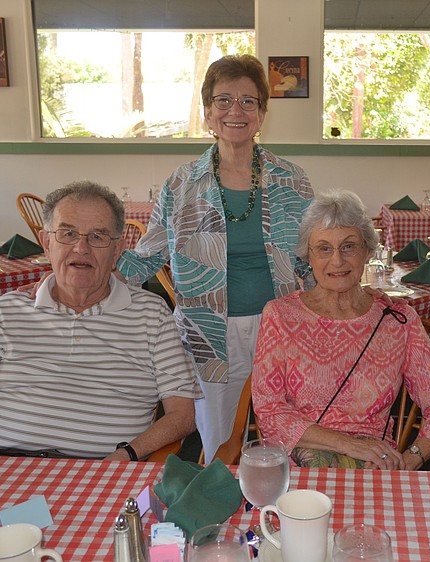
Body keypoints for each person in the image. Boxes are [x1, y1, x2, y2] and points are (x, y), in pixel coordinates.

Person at [116, 55, 314, 462]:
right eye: (223, 100)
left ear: (262, 113)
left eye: (248, 101)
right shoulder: (181, 183)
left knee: (289, 436)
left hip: (283, 328)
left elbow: (312, 259)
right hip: (205, 331)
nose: (235, 111)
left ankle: (279, 514)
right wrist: (86, 279)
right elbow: (148, 255)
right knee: (218, 443)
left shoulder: (292, 179)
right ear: (207, 112)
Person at [0, 181, 201, 459]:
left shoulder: (152, 314)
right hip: (2, 468)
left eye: (98, 237)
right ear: (46, 243)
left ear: (117, 251)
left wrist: (128, 454)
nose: (81, 248)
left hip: (104, 470)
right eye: (67, 233)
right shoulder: (5, 311)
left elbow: (183, 414)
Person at [252, 190, 430, 470]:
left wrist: (409, 459)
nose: (337, 261)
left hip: (374, 467)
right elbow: (268, 411)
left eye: (349, 246)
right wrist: (349, 445)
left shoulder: (397, 321)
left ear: (367, 251)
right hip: (296, 467)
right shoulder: (281, 315)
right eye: (324, 248)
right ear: (308, 256)